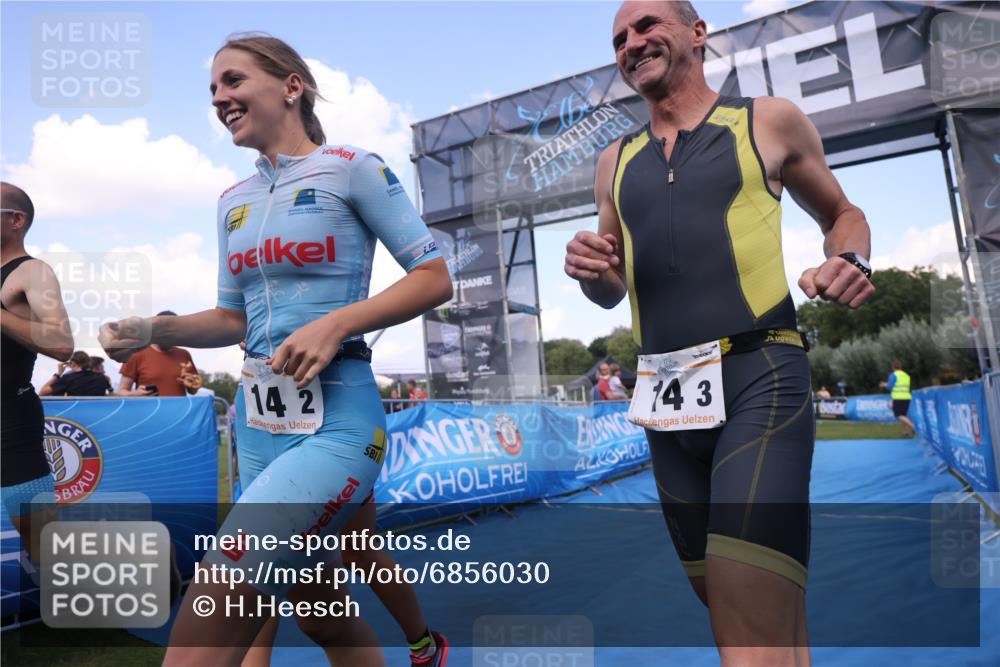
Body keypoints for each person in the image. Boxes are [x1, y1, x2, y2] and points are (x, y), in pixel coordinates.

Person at [100, 34, 452, 667]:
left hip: (338, 422)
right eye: (212, 89)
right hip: (256, 430)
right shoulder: (231, 201)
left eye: (232, 81)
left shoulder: (353, 167)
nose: (219, 98)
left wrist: (336, 324)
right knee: (325, 619)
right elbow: (234, 318)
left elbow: (434, 277)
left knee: (216, 601)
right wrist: (154, 330)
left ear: (292, 85)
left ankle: (424, 640)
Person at [564, 2, 875, 664]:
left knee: (747, 625)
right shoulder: (611, 161)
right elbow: (610, 288)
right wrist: (591, 272)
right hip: (667, 403)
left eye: (647, 26)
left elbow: (843, 214)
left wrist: (848, 260)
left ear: (697, 34)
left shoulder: (766, 120)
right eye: (619, 38)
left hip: (760, 377)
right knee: (752, 610)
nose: (632, 43)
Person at [1, 182, 74, 562]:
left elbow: (62, 343)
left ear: (16, 220)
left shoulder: (32, 272)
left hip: (11, 422)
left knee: (43, 541)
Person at [116, 310, 201, 397]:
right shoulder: (137, 353)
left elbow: (193, 391)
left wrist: (192, 385)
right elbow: (122, 392)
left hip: (180, 409)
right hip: (150, 410)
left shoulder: (184, 354)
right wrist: (136, 394)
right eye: (166, 331)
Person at [40, 350, 112, 396]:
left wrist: (58, 374)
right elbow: (110, 393)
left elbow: (43, 392)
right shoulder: (102, 378)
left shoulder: (68, 378)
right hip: (97, 413)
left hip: (75, 413)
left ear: (72, 363)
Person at [880, 359, 915, 436]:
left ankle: (913, 426)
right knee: (904, 415)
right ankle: (905, 432)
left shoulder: (893, 375)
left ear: (893, 367)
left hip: (898, 397)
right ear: (900, 367)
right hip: (907, 397)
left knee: (899, 415)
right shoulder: (906, 375)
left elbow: (890, 387)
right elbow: (898, 385)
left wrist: (884, 385)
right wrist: (887, 384)